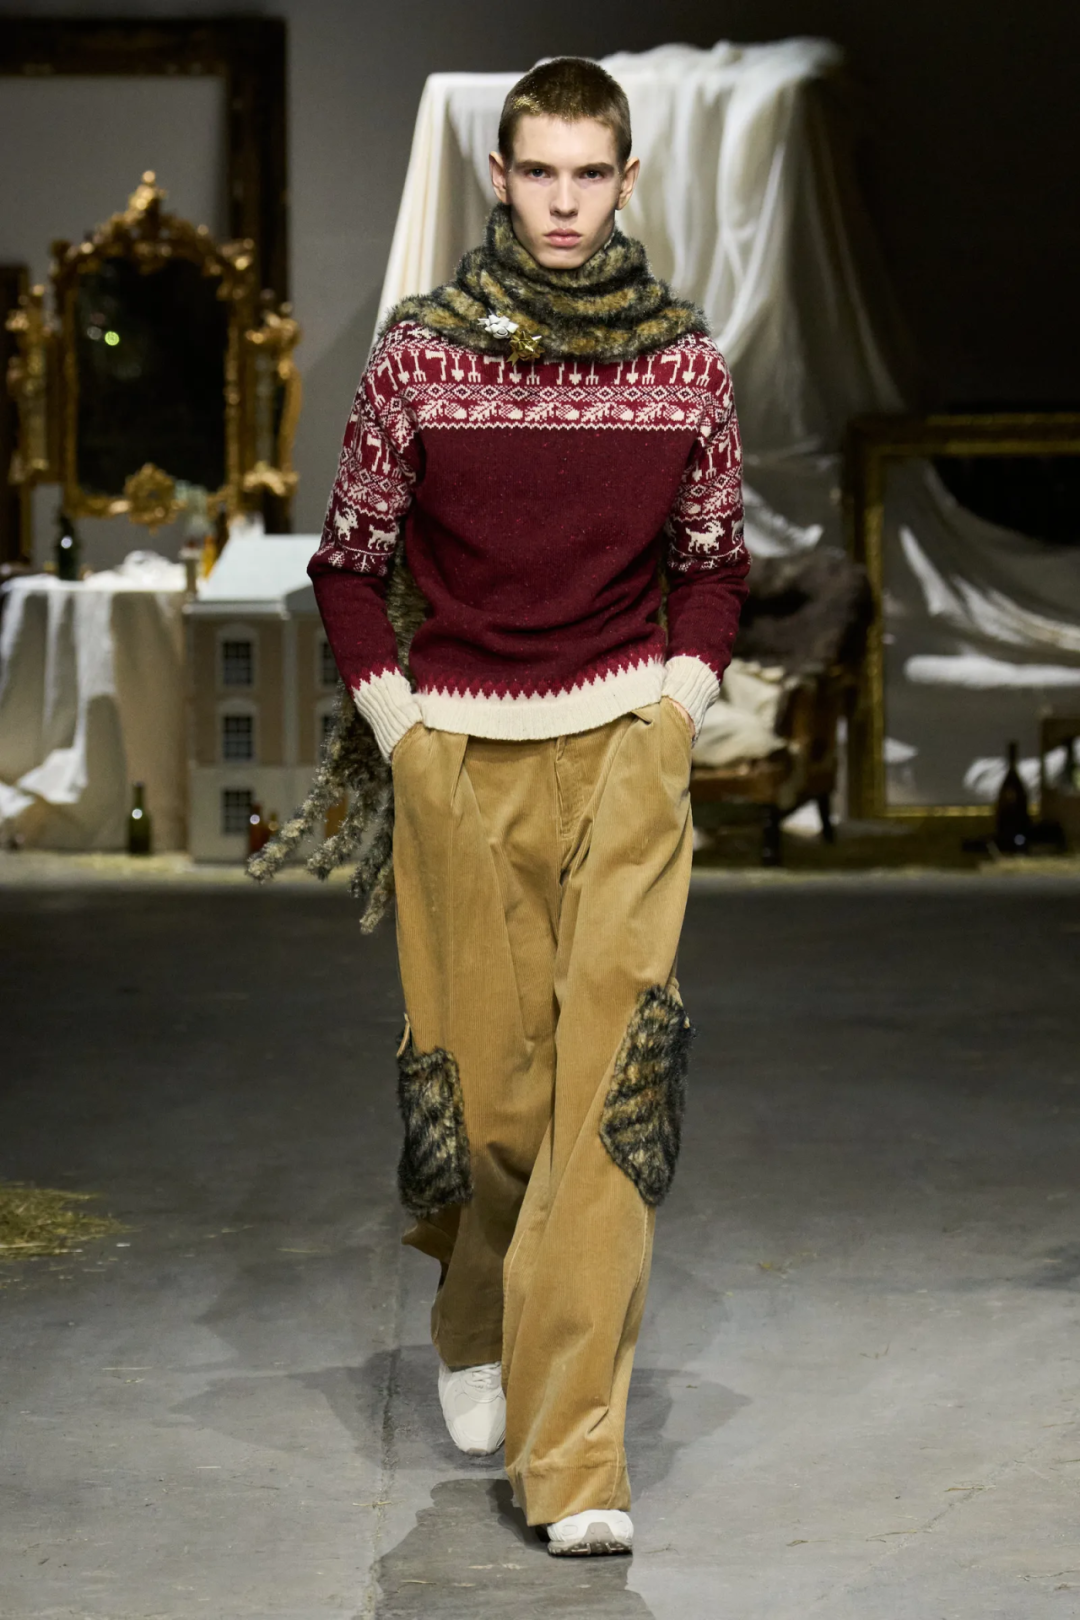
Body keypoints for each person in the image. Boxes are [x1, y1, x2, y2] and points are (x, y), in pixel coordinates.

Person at [308, 56, 748, 1558]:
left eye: (590, 174)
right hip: (459, 759)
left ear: (627, 182)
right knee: (494, 1114)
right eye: (540, 172)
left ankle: (577, 1462)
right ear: (499, 179)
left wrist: (679, 703)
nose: (565, 203)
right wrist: (402, 729)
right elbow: (348, 558)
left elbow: (715, 560)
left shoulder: (685, 363)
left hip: (626, 749)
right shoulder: (422, 356)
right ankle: (476, 1305)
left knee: (609, 1103)